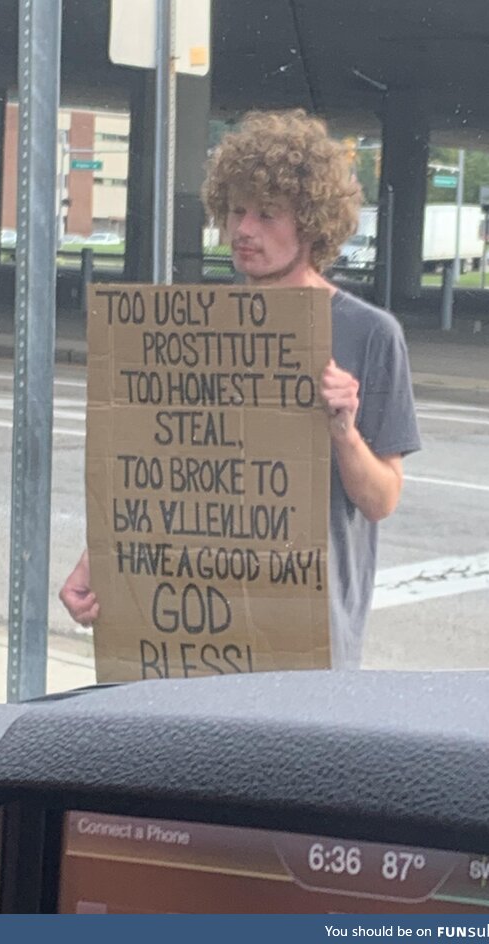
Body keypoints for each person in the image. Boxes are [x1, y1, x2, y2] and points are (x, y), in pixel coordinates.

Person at [60, 109, 421, 669]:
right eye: (235, 211)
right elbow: (163, 471)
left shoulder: (370, 335)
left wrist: (343, 431)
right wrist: (99, 560)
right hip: (193, 632)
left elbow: (380, 501)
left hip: (308, 638)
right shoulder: (194, 325)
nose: (243, 230)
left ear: (312, 222)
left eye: (267, 214)